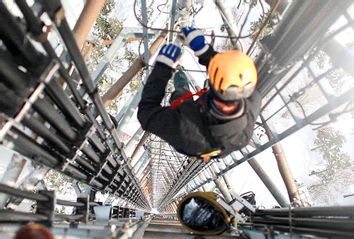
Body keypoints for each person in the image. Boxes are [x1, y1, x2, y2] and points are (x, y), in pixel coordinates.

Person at [137, 27, 261, 160]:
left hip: (196, 138)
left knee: (180, 96)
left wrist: (162, 69)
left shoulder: (185, 130)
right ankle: (182, 88)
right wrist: (205, 51)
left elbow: (146, 114)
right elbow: (228, 75)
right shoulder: (252, 98)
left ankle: (181, 87)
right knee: (183, 97)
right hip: (216, 131)